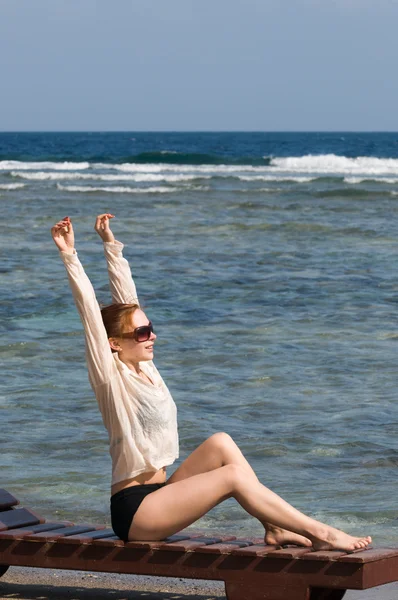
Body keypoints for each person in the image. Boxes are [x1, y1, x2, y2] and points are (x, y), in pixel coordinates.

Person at [51, 213, 371, 551]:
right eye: (143, 333)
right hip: (136, 513)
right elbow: (90, 314)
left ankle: (275, 527)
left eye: (151, 328)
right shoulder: (110, 378)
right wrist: (70, 255)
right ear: (114, 343)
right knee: (231, 478)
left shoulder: (148, 369)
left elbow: (128, 302)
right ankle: (323, 533)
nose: (152, 336)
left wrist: (110, 247)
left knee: (221, 442)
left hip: (160, 495)